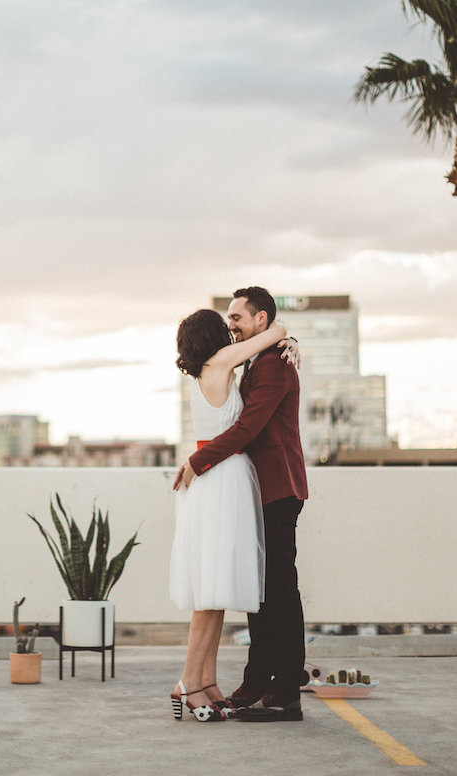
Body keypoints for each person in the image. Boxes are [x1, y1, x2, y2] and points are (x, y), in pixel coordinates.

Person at [174, 286, 309, 722]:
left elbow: (249, 426)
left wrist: (198, 459)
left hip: (274, 486)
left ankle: (284, 688)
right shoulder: (247, 361)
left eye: (238, 318)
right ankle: (254, 681)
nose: (231, 325)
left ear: (261, 321)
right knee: (259, 589)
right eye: (227, 319)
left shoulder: (270, 364)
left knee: (278, 591)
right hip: (244, 486)